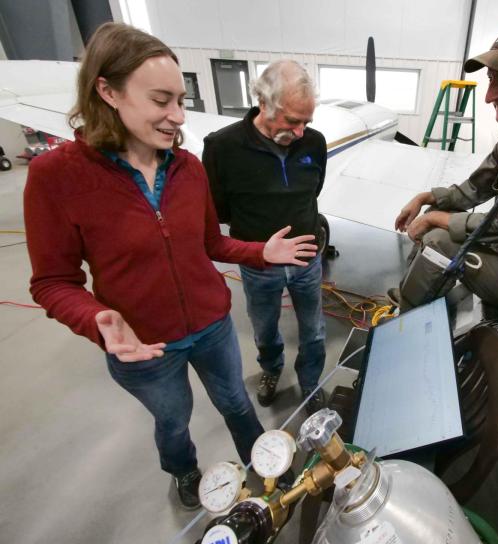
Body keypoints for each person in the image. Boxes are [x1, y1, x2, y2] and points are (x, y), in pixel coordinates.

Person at [23, 23, 317, 510]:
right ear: (108, 90)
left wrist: (256, 252)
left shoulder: (188, 166)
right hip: (144, 346)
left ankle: (267, 471)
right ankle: (183, 469)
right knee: (173, 420)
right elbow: (53, 281)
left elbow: (208, 243)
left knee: (237, 404)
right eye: (162, 101)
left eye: (181, 100)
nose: (177, 117)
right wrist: (96, 319)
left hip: (212, 327)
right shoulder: (56, 177)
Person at [391, 17, 498, 318]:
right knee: (434, 217)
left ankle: (404, 320)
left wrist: (436, 220)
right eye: (491, 79)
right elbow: (473, 189)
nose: (489, 96)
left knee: (438, 239)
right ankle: (414, 289)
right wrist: (425, 198)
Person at [203, 61, 327, 414]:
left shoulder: (313, 143)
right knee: (265, 330)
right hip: (259, 266)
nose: (301, 132)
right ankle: (272, 370)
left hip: (307, 259)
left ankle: (310, 382)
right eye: (292, 121)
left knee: (315, 331)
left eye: (307, 122)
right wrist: (260, 247)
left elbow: (312, 190)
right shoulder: (222, 147)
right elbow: (219, 209)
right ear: (262, 103)